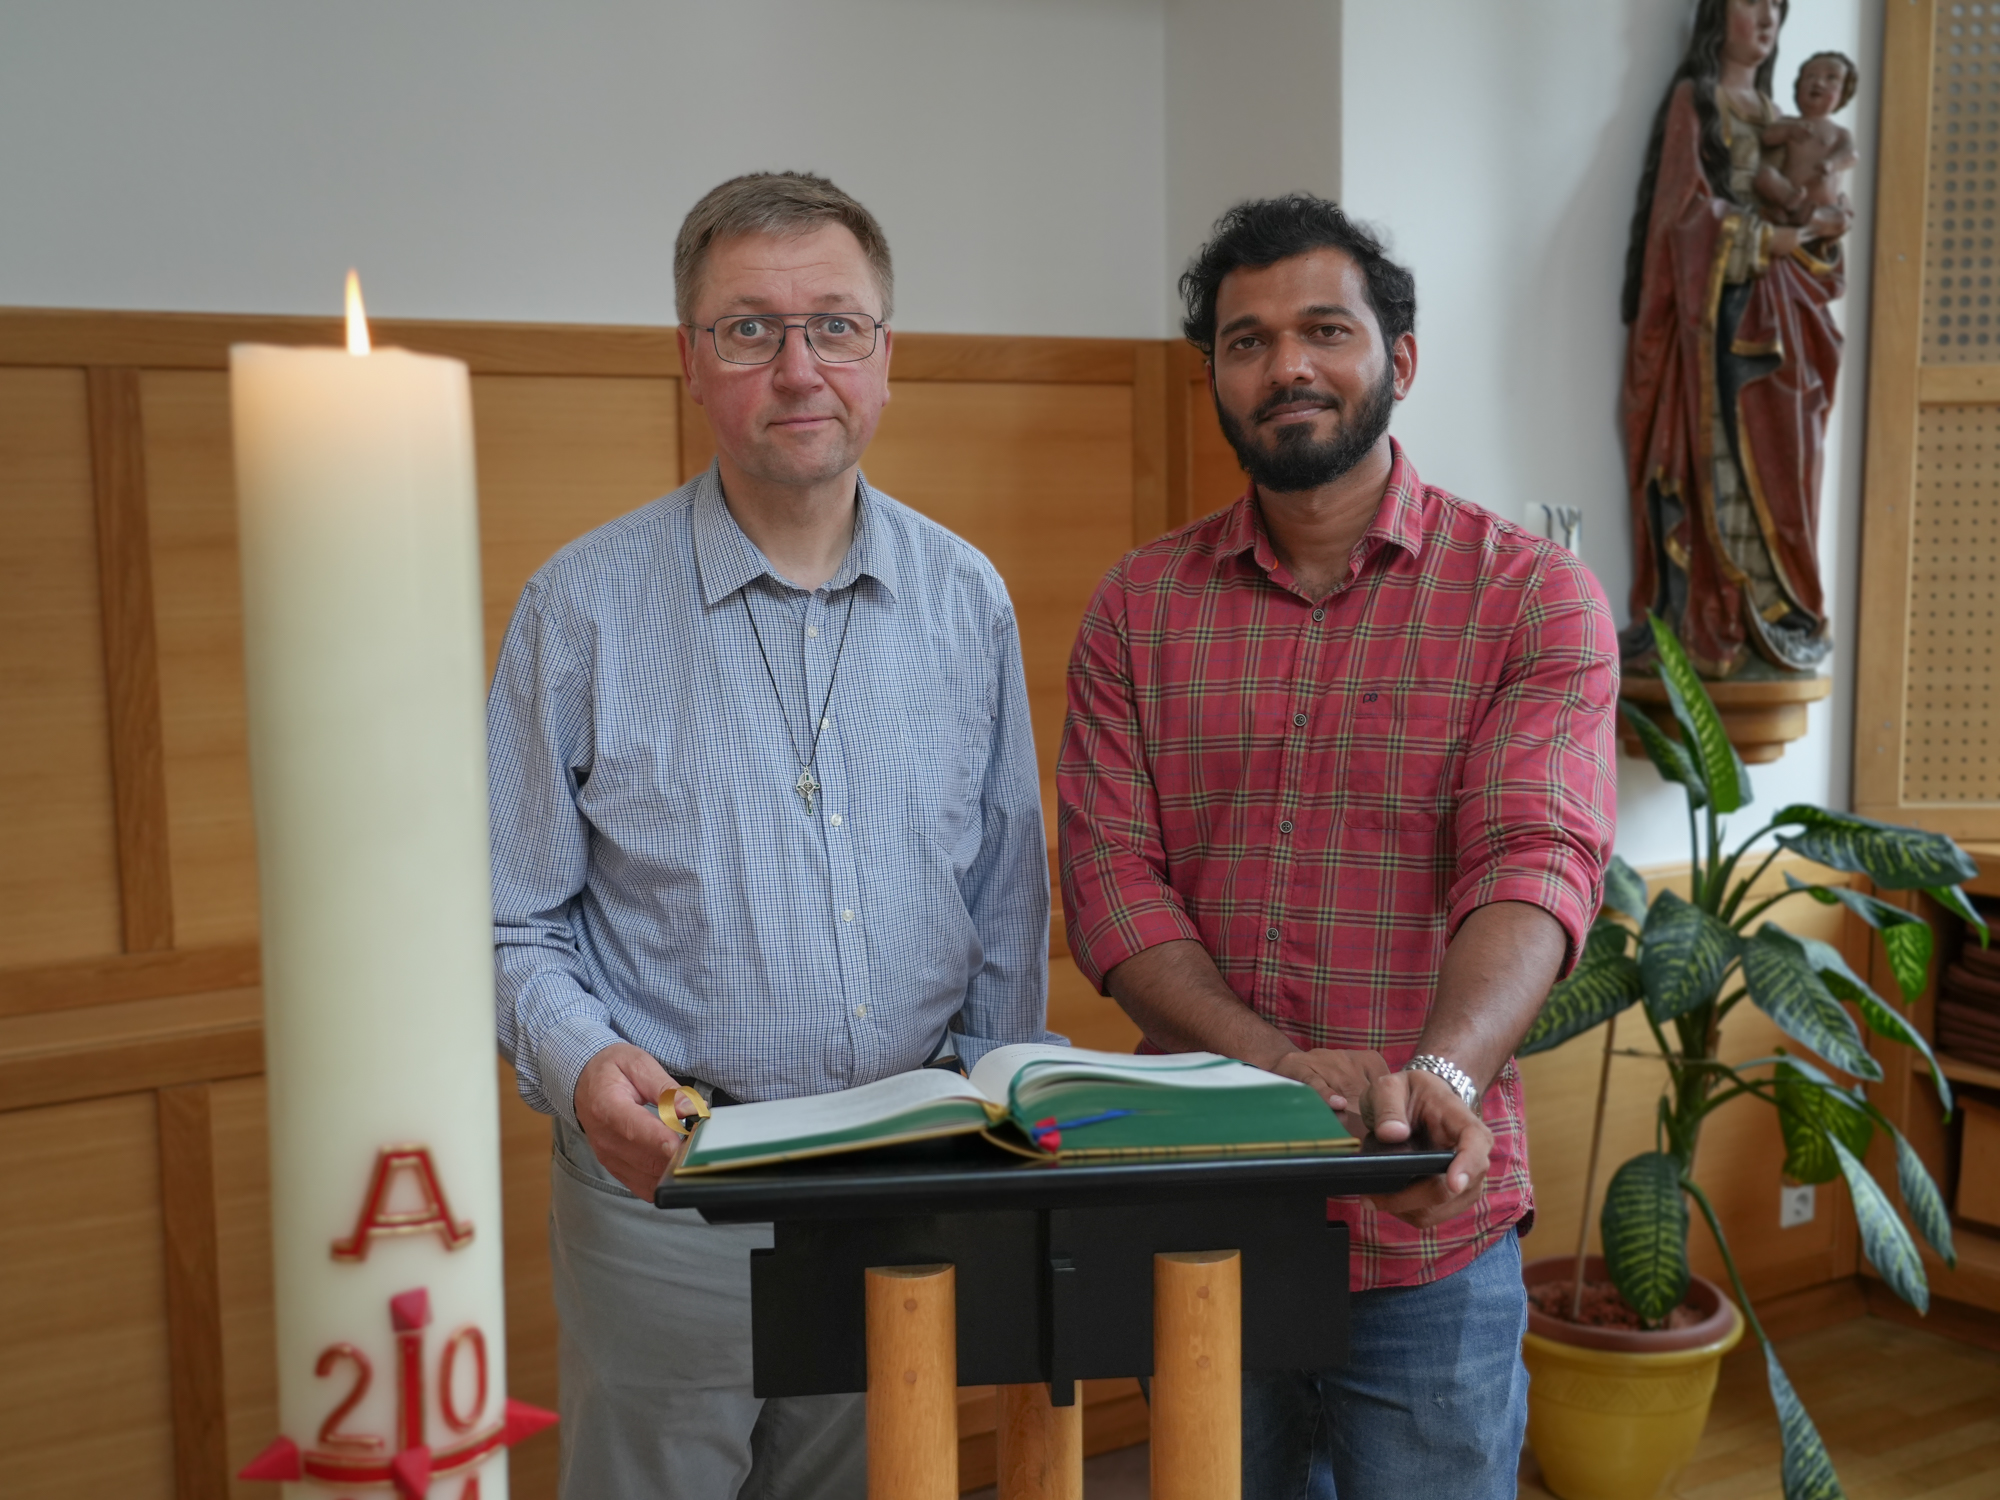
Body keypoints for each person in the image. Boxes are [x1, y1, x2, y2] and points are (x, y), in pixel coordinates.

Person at [488, 171, 1051, 1500]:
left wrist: (986, 1141)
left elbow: (1005, 895)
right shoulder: (580, 610)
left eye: (835, 326)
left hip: (902, 1181)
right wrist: (579, 1069)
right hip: (673, 1191)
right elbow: (508, 916)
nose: (799, 367)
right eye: (750, 329)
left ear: (886, 357)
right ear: (690, 361)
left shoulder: (966, 598)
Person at [1057, 194, 1617, 1497]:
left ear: (1399, 361)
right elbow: (1110, 888)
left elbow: (1534, 859)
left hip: (1428, 1211)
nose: (1286, 365)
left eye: (1324, 329)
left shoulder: (1531, 596)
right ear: (1216, 378)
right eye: (1246, 341)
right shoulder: (1141, 609)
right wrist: (1278, 1070)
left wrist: (1442, 1075)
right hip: (1204, 1211)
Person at [1621, 0, 1848, 677]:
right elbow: (1681, 215)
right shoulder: (1697, 101)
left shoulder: (1787, 118)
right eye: (1753, 2)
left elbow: (1813, 208)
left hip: (1788, 315)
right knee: (1722, 456)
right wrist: (1760, 238)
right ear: (1721, 14)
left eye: (1778, 6)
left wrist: (1819, 236)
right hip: (1717, 323)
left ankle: (1782, 609)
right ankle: (1721, 605)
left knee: (1790, 458)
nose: (1768, 17)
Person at [1753, 51, 1859, 230]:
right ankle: (1792, 205)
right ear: (1797, 87)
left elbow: (1852, 155)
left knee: (1841, 219)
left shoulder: (1840, 133)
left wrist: (1832, 163)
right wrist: (1788, 131)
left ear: (1844, 93)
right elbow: (1767, 137)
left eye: (1831, 77)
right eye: (1810, 76)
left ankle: (1812, 218)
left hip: (1825, 204)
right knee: (1765, 176)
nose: (1818, 82)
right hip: (1789, 192)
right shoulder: (1789, 122)